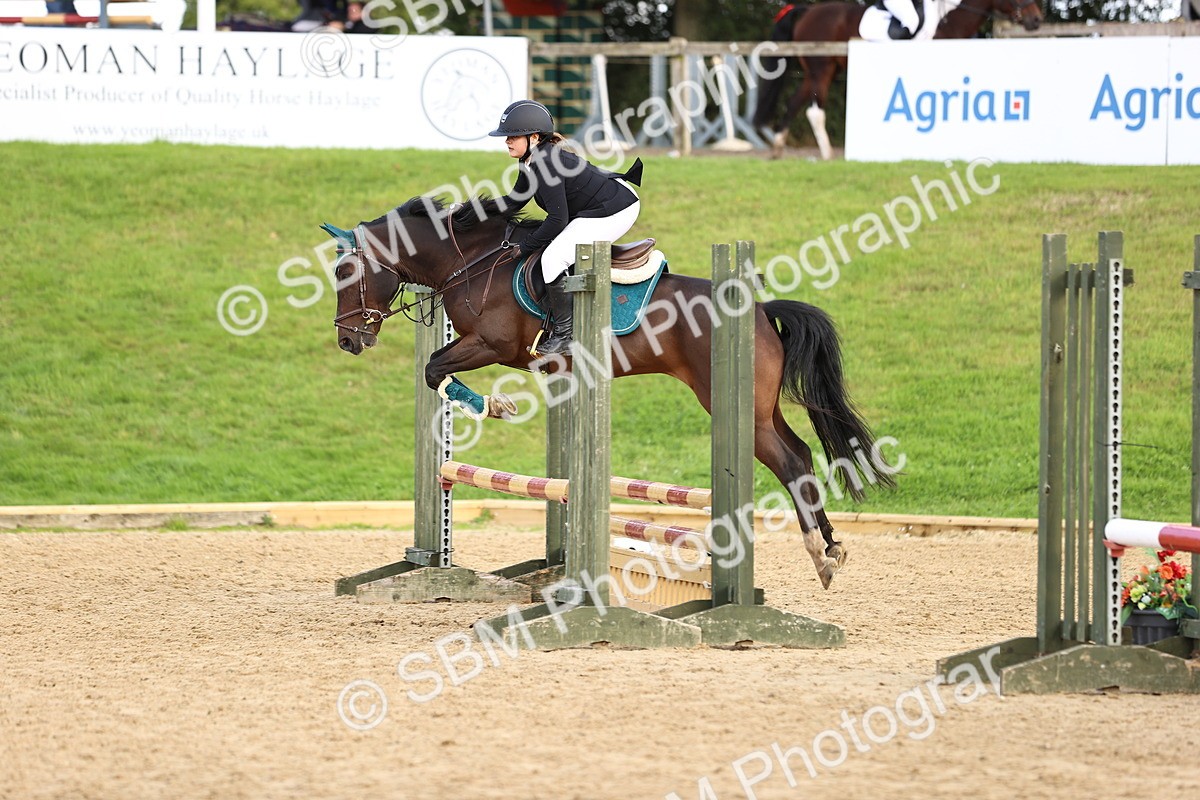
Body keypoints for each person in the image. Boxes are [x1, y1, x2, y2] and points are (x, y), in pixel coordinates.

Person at [489, 100, 643, 356]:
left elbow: (557, 220)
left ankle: (565, 336)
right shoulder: (530, 159)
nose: (507, 141)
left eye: (513, 136)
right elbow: (514, 202)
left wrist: (523, 248)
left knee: (552, 258)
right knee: (553, 249)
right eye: (507, 136)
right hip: (602, 202)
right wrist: (472, 212)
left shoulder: (545, 162)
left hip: (616, 209)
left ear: (534, 137)